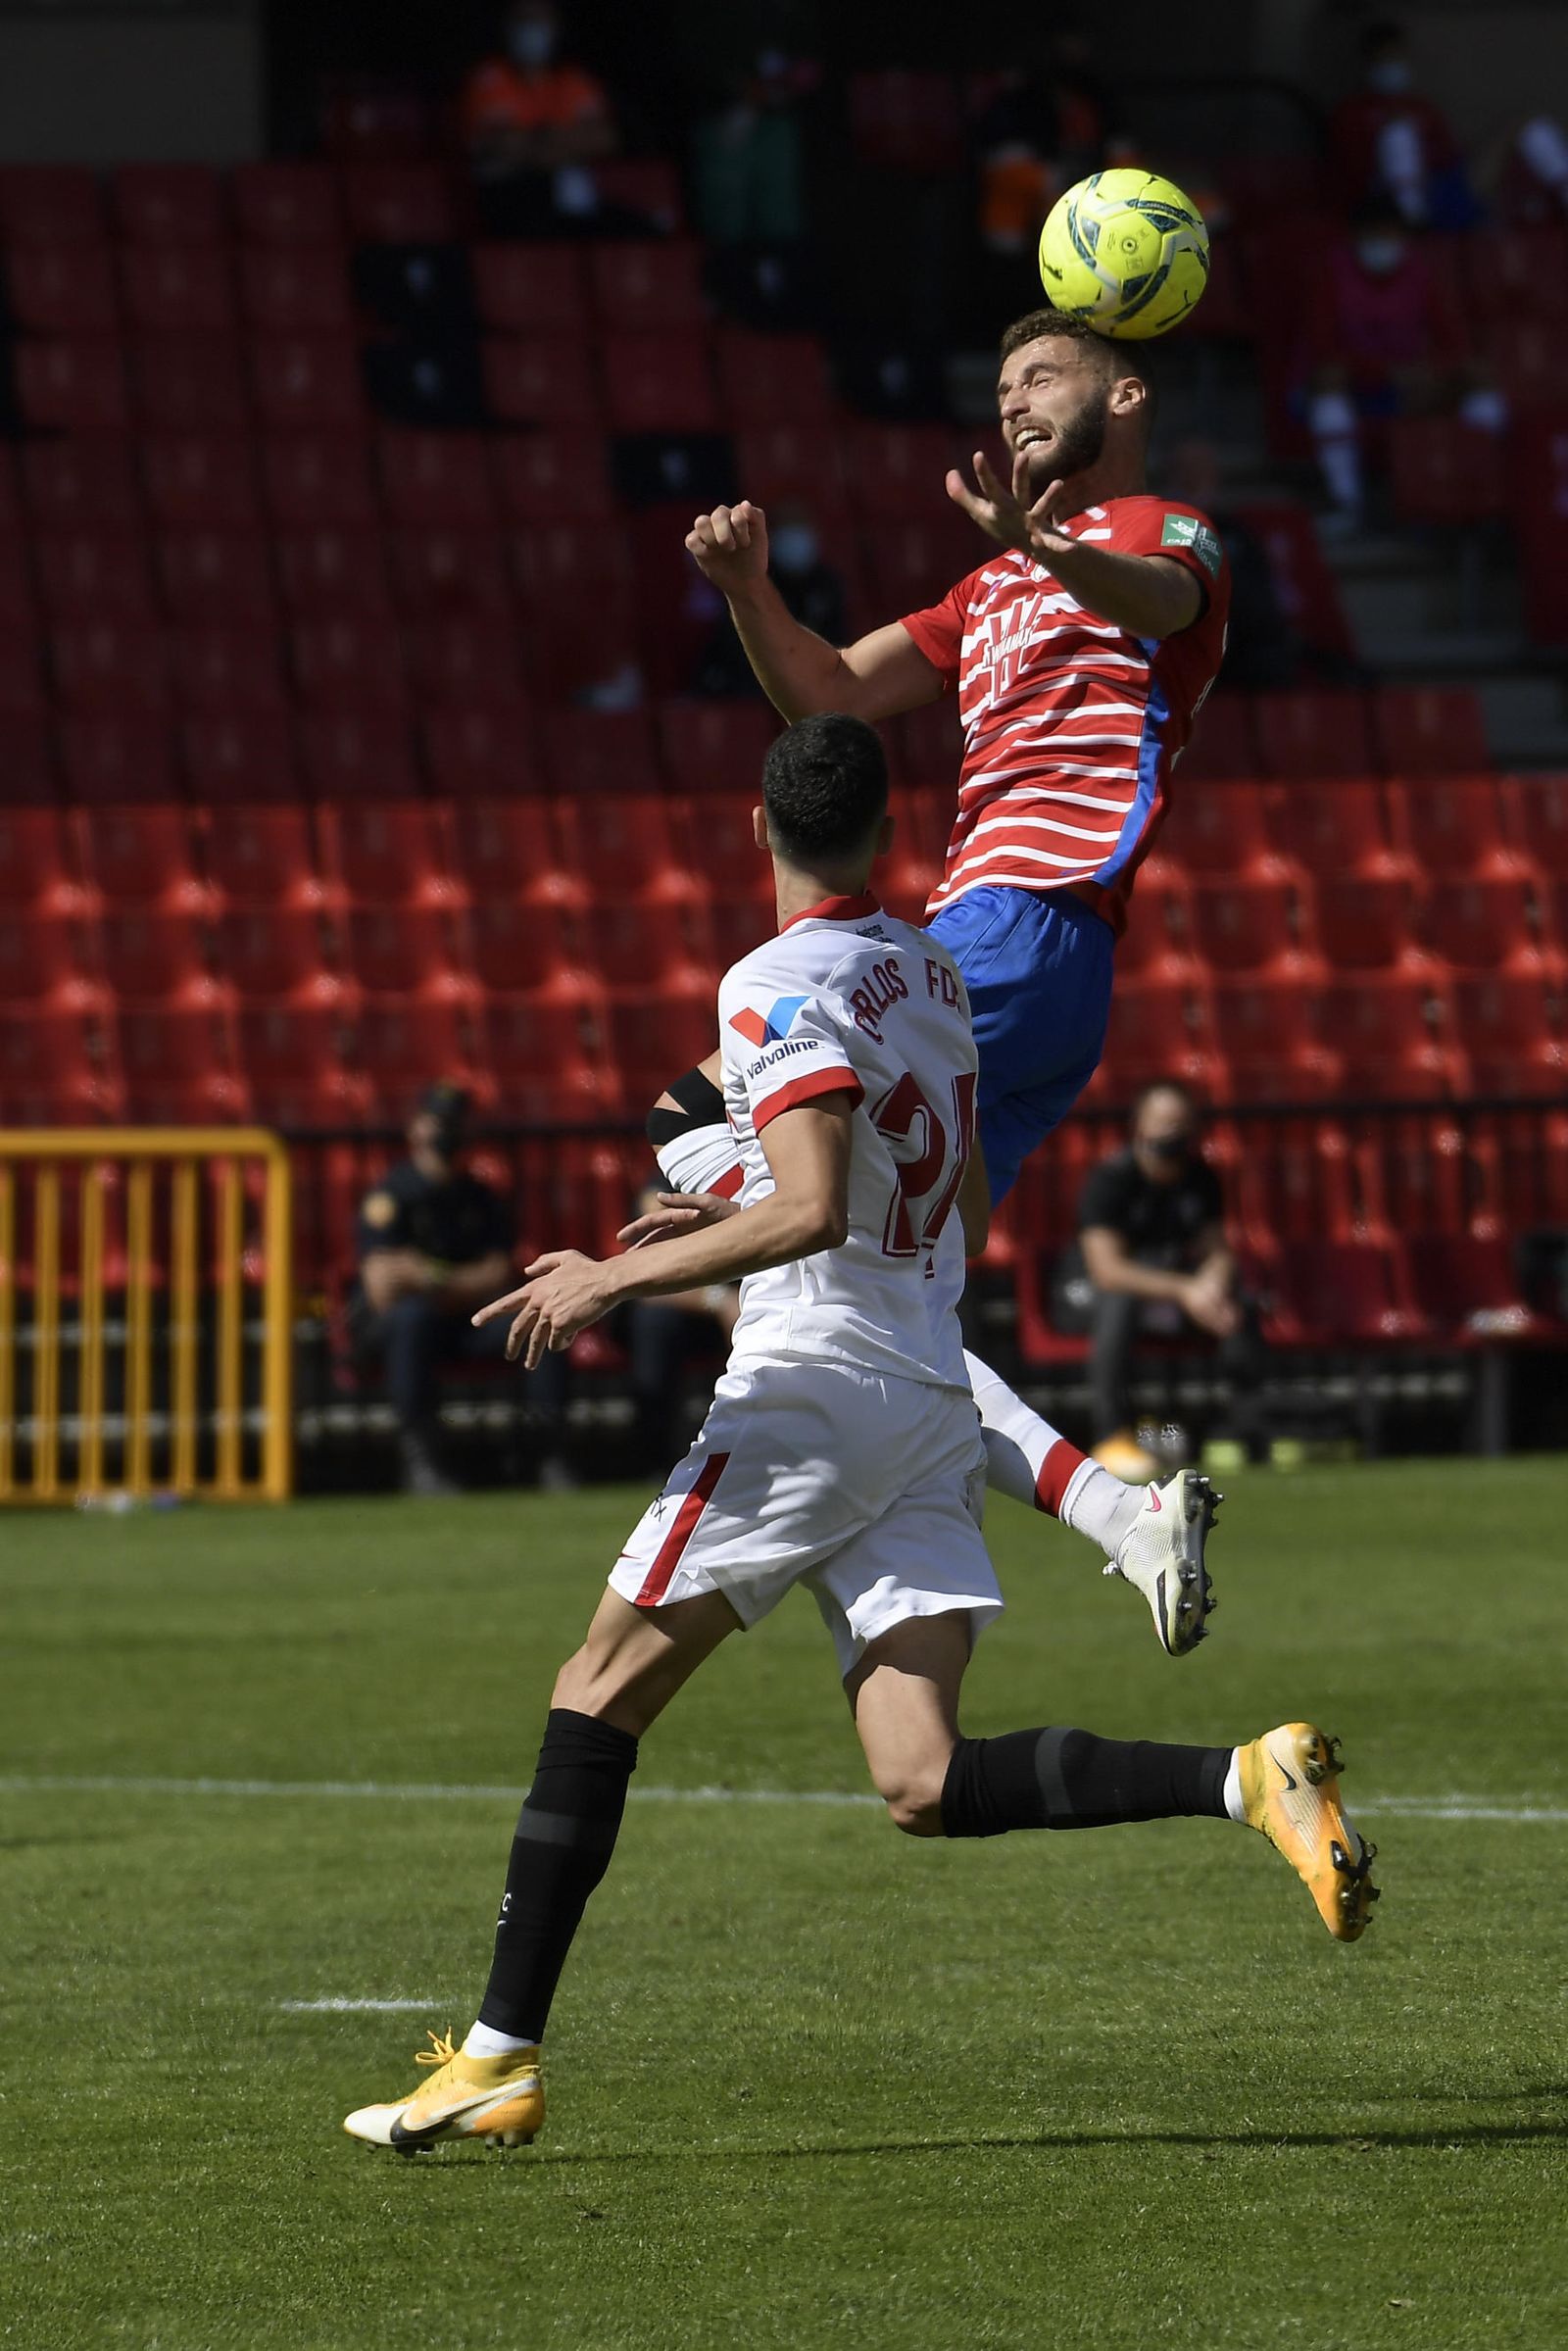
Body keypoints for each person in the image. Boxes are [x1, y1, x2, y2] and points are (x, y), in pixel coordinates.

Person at [342, 715, 1377, 2156]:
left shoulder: (768, 980)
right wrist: (744, 1215)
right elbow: (925, 1198)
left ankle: (500, 2055)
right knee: (922, 1777)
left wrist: (613, 1272)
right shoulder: (934, 970)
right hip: (919, 1386)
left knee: (597, 1686)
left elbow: (817, 1197)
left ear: (757, 827)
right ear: (889, 835)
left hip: (812, 1384)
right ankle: (1243, 1774)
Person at [685, 306, 1232, 1208]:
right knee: (923, 1237)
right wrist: (749, 593)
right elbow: (830, 693)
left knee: (717, 1115)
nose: (1015, 401)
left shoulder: (1170, 529)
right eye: (1005, 387)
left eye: (1043, 377)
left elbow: (1164, 604)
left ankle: (661, 1272)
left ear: (1125, 394)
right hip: (1024, 944)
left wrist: (1044, 546)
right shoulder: (986, 588)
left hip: (1027, 912)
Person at [353, 1083, 569, 1495]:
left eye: (456, 1123)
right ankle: (421, 1459)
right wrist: (461, 1281)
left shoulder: (480, 1197)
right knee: (410, 1319)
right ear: (416, 1128)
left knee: (540, 1320)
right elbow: (382, 1287)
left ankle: (546, 1452)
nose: (448, 1132)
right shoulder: (391, 1195)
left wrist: (426, 1275)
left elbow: (499, 1273)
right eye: (440, 1122)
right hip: (408, 1331)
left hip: (467, 1320)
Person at [1076, 1081, 1265, 1479]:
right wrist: (1185, 1290)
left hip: (1178, 1295)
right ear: (1140, 1127)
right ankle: (1113, 1435)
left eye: (1181, 1124)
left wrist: (1213, 1282)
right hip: (1100, 1297)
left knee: (1239, 1306)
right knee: (1119, 1306)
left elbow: (1217, 1248)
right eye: (1163, 1123)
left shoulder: (1199, 1178)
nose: (1172, 1134)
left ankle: (1244, 1431)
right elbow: (1107, 1270)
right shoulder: (1111, 1180)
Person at [1298, 201, 1506, 532]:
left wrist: (1428, 375)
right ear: (1357, 238)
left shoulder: (1420, 274)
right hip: (1357, 385)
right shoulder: (1331, 275)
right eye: (1375, 236)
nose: (1384, 244)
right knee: (1327, 383)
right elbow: (1322, 349)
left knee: (1479, 378)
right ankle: (1346, 502)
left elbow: (1454, 342)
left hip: (1411, 384)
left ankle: (1481, 496)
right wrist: (1383, 373)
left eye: (1390, 235)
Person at [461, 0, 618, 238]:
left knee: (636, 230)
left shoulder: (572, 81)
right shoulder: (489, 79)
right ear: (509, 26)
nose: (533, 30)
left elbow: (605, 138)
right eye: (525, 19)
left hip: (570, 194)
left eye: (540, 19)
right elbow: (503, 144)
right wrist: (564, 144)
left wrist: (536, 141)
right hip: (511, 197)